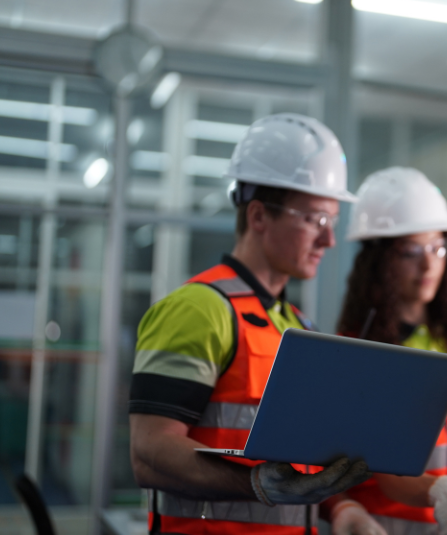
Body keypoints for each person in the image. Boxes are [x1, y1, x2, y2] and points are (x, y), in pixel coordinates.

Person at [128, 114, 381, 535]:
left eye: (332, 223)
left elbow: (301, 467)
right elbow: (149, 451)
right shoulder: (198, 309)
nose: (329, 240)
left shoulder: (297, 325)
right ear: (259, 216)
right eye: (316, 220)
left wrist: (341, 508)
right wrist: (254, 483)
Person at [336, 167, 447, 535]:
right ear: (378, 261)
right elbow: (385, 474)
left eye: (438, 247)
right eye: (411, 251)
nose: (428, 264)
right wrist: (443, 490)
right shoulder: (355, 351)